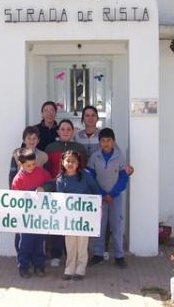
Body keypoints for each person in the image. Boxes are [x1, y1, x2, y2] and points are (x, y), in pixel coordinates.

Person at [44, 119, 87, 266]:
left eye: (69, 129)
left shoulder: (80, 148)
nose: (65, 132)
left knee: (71, 225)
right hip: (56, 191)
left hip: (75, 193)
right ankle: (56, 254)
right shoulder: (50, 148)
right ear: (58, 131)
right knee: (57, 223)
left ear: (73, 131)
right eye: (62, 129)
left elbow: (83, 169)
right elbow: (46, 170)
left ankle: (71, 255)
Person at [86, 128, 129, 269]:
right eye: (103, 141)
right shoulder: (94, 157)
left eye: (109, 140)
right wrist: (102, 193)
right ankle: (98, 254)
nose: (106, 143)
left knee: (116, 226)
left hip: (115, 197)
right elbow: (90, 177)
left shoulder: (119, 156)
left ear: (113, 141)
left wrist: (113, 193)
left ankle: (119, 256)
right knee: (99, 226)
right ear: (99, 142)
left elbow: (124, 177)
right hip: (99, 197)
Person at [56, 150, 101, 280]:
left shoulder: (85, 175)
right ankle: (69, 269)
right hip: (69, 218)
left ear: (78, 163)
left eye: (74, 161)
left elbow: (95, 190)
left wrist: (97, 207)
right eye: (68, 161)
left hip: (84, 217)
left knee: (82, 243)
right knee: (70, 244)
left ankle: (80, 269)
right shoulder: (60, 179)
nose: (70, 164)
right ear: (62, 162)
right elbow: (60, 198)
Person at [11, 148, 54, 278]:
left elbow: (51, 183)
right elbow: (15, 201)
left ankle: (39, 266)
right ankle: (23, 267)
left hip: (40, 216)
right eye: (28, 165)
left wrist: (44, 188)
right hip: (25, 219)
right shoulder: (17, 179)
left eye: (33, 164)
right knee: (25, 244)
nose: (31, 167)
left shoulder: (42, 172)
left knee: (40, 243)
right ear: (20, 164)